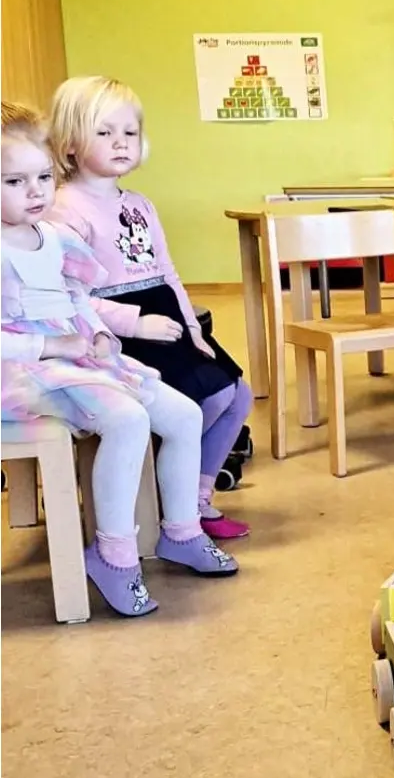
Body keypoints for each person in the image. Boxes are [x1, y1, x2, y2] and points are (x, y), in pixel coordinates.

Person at [2, 101, 238, 617]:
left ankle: (180, 531)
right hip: (25, 370)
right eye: (14, 182)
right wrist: (51, 345)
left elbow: (79, 300)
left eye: (42, 176)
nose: (37, 191)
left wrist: (100, 335)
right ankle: (115, 556)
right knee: (129, 420)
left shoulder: (56, 237)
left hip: (78, 356)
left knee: (185, 415)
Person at [47, 76, 251, 539]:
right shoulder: (65, 210)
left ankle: (196, 497)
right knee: (211, 397)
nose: (121, 142)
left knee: (237, 395)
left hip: (166, 319)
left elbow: (168, 272)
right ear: (71, 144)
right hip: (119, 332)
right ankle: (175, 502)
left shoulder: (140, 204)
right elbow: (69, 297)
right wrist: (135, 323)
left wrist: (192, 328)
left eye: (130, 132)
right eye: (104, 132)